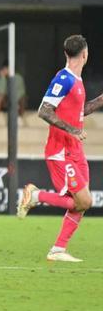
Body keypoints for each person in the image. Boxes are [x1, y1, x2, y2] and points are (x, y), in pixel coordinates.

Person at [18, 35, 103, 262]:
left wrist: (101, 100)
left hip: (76, 150)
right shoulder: (63, 79)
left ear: (67, 53)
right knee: (84, 201)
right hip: (61, 152)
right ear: (84, 54)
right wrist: (72, 130)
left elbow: (79, 112)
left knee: (82, 203)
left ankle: (58, 249)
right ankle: (36, 195)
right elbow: (43, 110)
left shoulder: (77, 80)